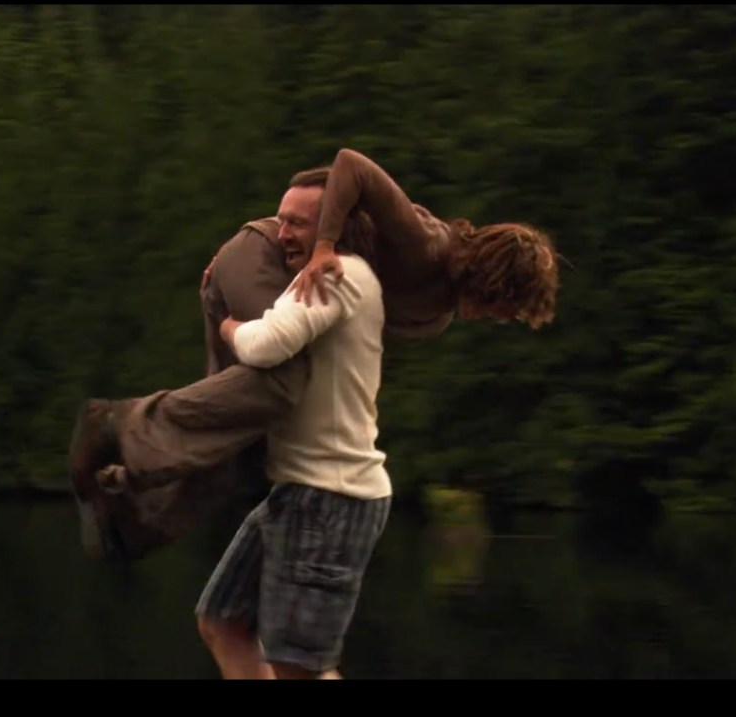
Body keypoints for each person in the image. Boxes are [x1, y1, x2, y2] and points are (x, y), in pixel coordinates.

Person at [68, 148, 560, 563]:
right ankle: (114, 424)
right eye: (504, 306)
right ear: (494, 278)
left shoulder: (439, 312)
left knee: (248, 451)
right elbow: (351, 166)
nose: (498, 317)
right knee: (283, 380)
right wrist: (320, 245)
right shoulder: (427, 245)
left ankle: (122, 507)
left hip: (286, 294)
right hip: (266, 259)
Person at [194, 177, 389, 679]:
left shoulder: (337, 275)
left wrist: (228, 326)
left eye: (298, 222)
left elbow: (262, 345)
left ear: (332, 229)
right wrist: (218, 293)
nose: (282, 233)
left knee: (297, 665)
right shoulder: (316, 280)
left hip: (332, 497)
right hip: (301, 494)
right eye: (280, 219)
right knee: (223, 619)